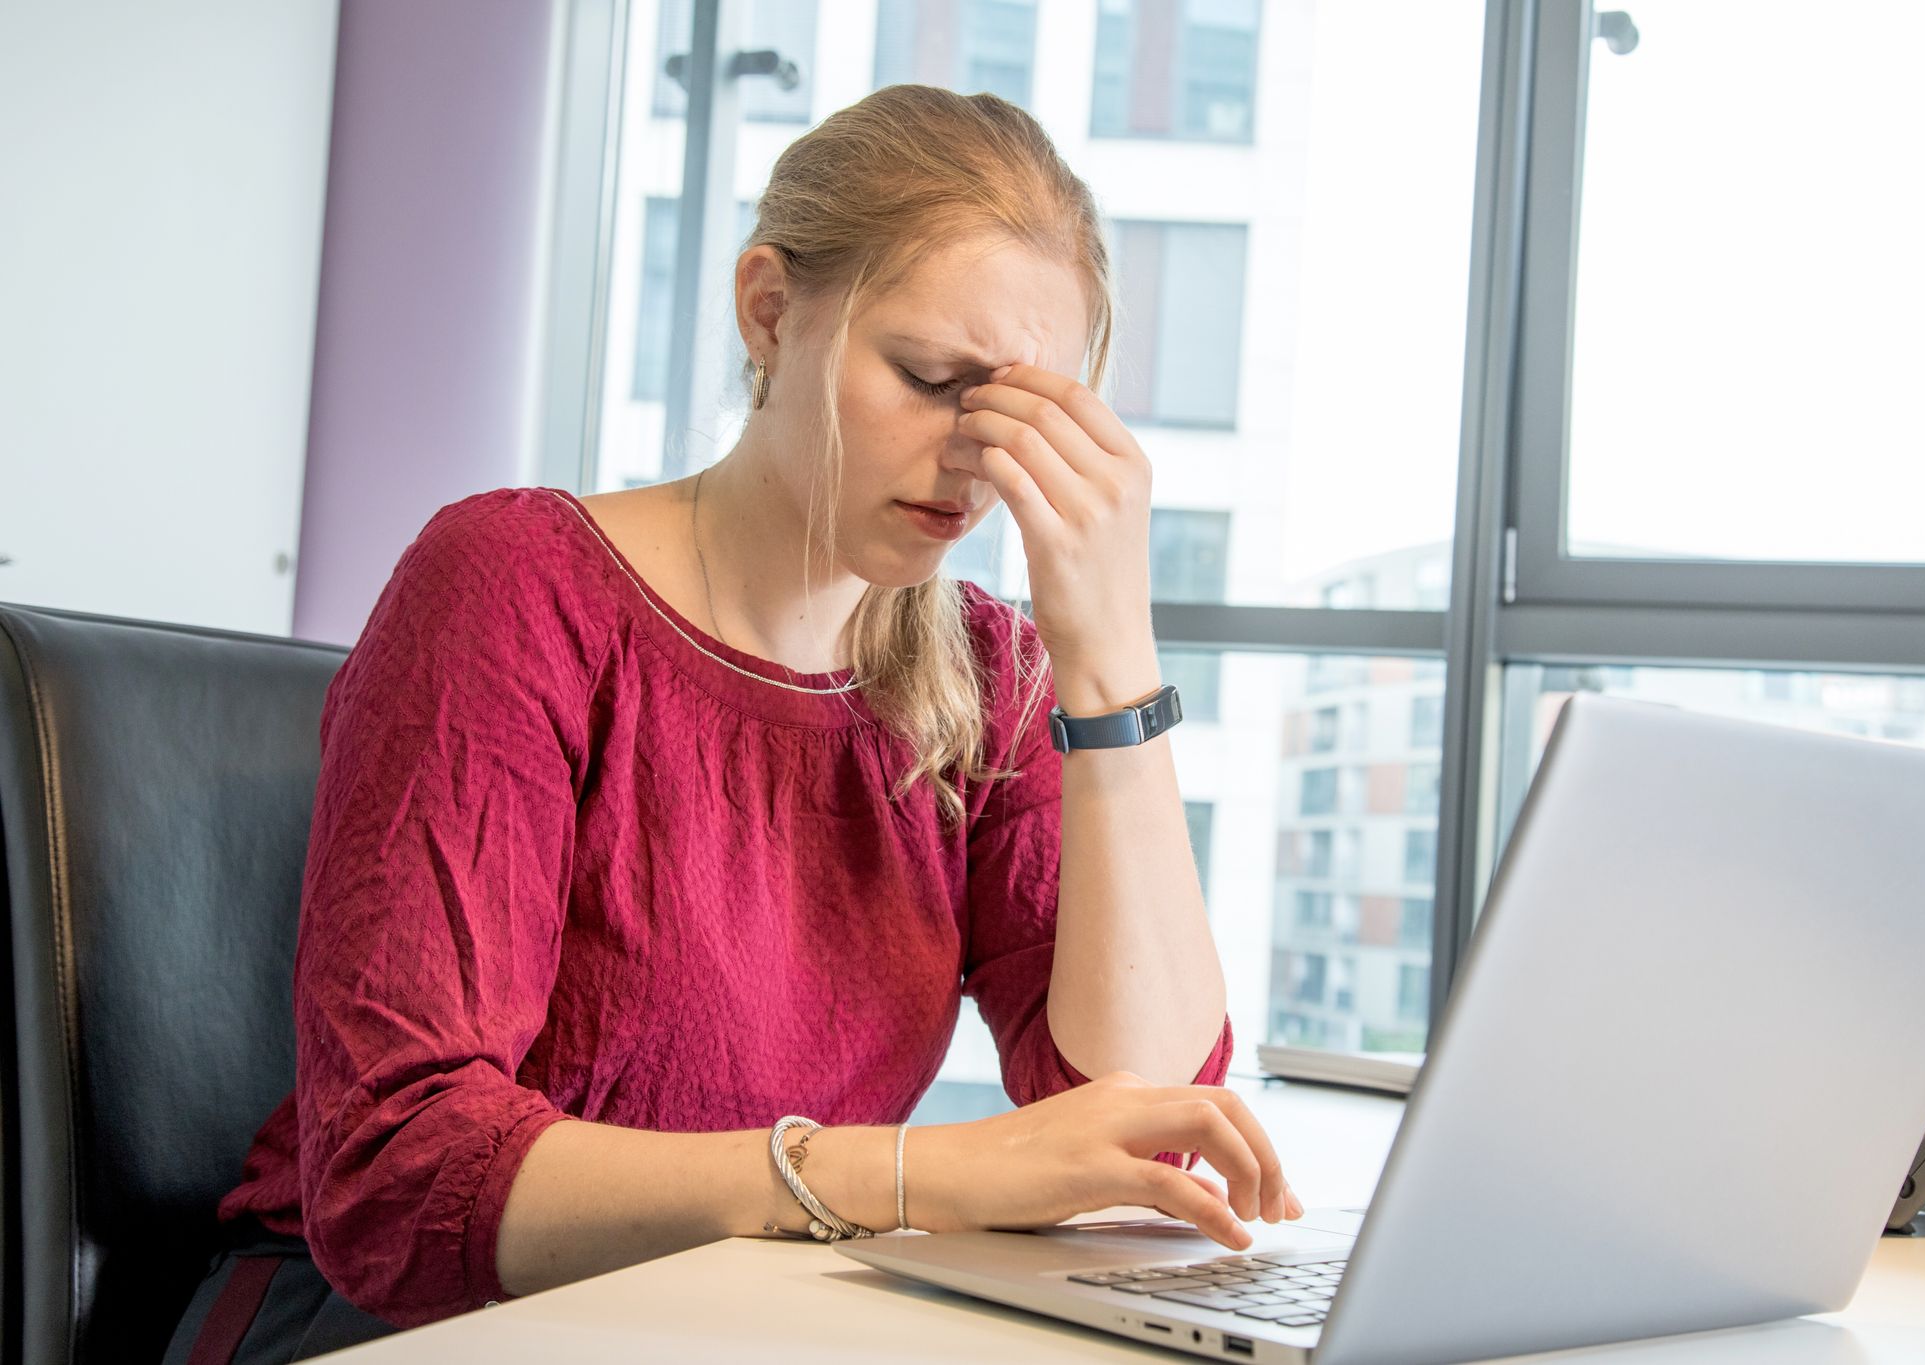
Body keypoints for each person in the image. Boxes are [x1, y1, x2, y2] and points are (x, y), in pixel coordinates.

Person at [163, 84, 1300, 1364]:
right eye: (933, 381)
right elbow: (397, 1176)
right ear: (768, 309)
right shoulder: (512, 585)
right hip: (403, 1324)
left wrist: (1110, 661)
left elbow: (1141, 1129)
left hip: (743, 1322)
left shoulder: (992, 676)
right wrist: (908, 1179)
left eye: (1031, 419)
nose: (977, 461)